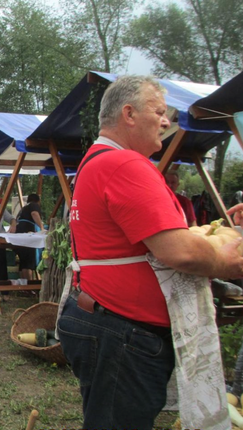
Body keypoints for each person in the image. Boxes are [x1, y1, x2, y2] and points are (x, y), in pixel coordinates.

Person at [58, 75, 243, 429]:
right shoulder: (125, 165)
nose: (166, 121)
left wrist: (218, 228)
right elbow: (180, 251)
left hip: (108, 322)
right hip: (122, 331)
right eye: (158, 112)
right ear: (128, 113)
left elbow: (152, 235)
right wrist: (226, 261)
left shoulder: (98, 161)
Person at [14, 193, 45, 280]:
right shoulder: (33, 205)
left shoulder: (23, 209)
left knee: (23, 261)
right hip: (27, 235)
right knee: (29, 262)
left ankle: (24, 285)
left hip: (19, 235)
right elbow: (34, 213)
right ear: (38, 201)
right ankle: (29, 284)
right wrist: (42, 227)